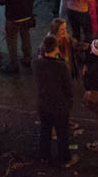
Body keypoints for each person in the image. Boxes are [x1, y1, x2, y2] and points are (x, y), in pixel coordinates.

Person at [33, 34, 78, 168]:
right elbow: (68, 88)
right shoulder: (62, 66)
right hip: (59, 105)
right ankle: (65, 158)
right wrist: (70, 101)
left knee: (45, 130)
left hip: (43, 103)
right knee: (62, 133)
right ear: (57, 49)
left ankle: (44, 156)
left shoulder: (36, 63)